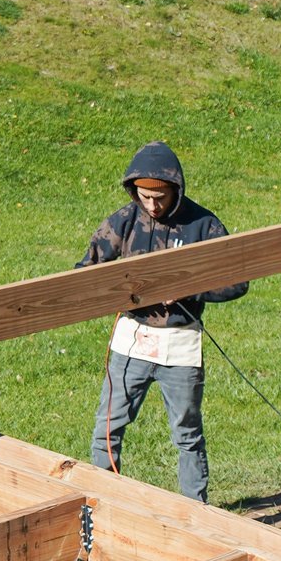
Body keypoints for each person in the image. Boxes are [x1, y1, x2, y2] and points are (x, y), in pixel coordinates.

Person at [76, 142, 247, 504]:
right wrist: (120, 290)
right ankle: (105, 505)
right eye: (145, 198)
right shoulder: (122, 221)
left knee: (187, 435)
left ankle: (196, 513)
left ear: (175, 189)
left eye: (160, 198)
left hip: (180, 344)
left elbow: (237, 281)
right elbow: (84, 274)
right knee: (107, 428)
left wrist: (188, 288)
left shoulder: (204, 225)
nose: (152, 206)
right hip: (131, 341)